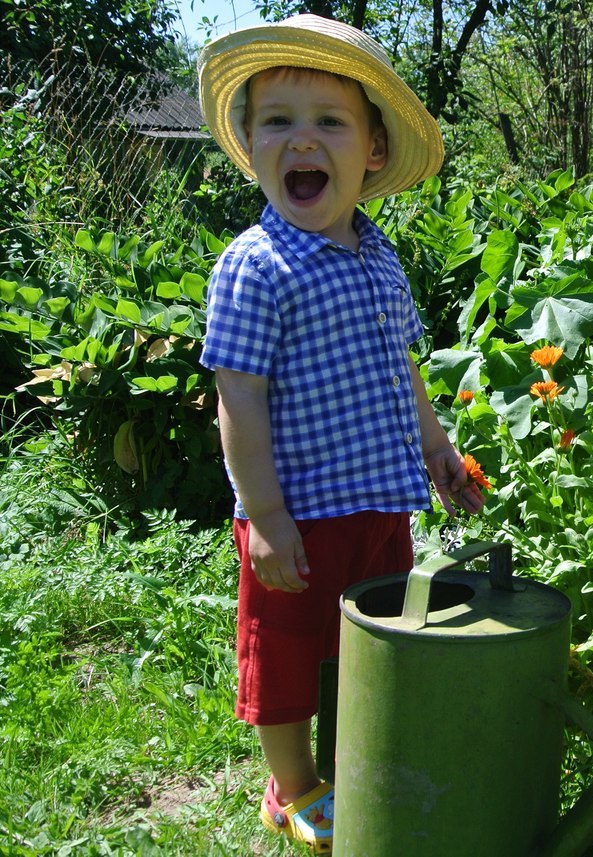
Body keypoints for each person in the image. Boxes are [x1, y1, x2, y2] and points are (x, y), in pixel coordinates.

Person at [196, 15, 484, 852]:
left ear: (373, 153)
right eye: (277, 121)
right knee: (285, 658)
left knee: (372, 643)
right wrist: (266, 517)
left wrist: (437, 451)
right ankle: (292, 786)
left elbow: (402, 369)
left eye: (329, 122)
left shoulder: (379, 255)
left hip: (377, 503)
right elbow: (238, 402)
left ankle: (353, 757)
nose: (302, 141)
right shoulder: (257, 264)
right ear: (250, 146)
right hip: (298, 511)